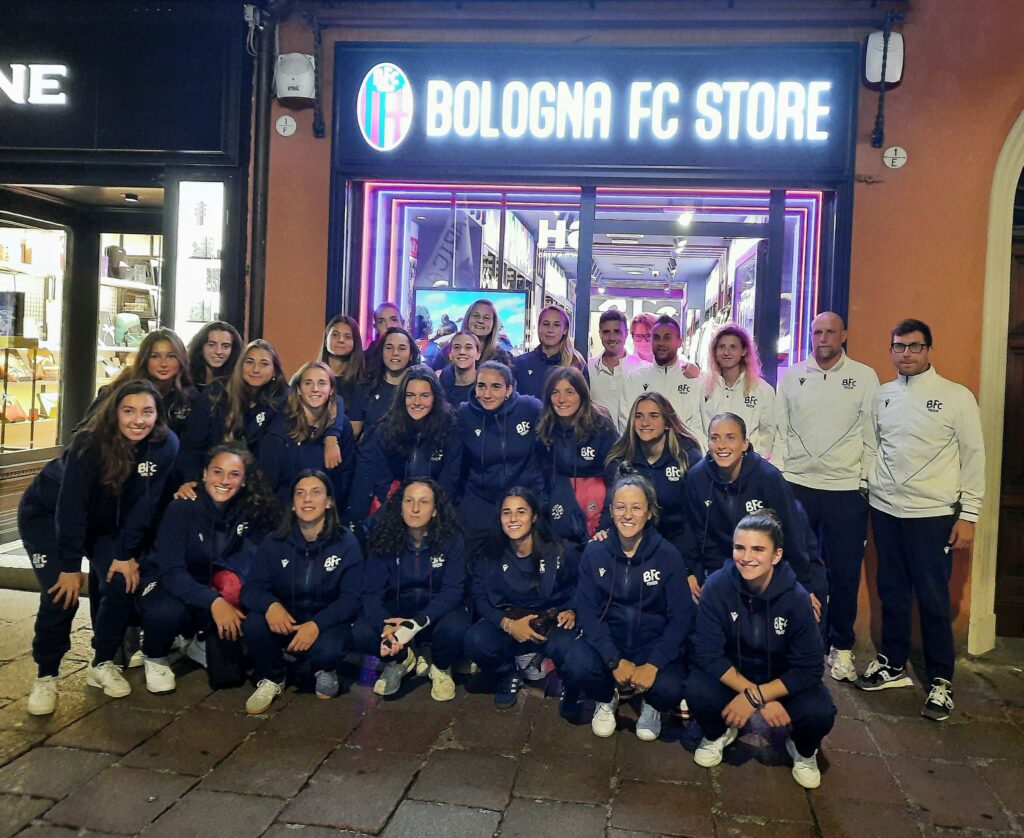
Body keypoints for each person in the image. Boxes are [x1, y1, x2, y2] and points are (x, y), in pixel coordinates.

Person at [20, 380, 179, 714]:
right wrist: (69, 565)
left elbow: (145, 506)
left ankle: (102, 661)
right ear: (114, 413)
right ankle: (46, 675)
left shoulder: (165, 445)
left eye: (147, 411)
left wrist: (124, 555)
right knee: (60, 593)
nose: (139, 420)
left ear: (158, 414)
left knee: (122, 579)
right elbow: (71, 507)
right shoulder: (89, 444)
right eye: (129, 411)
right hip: (48, 514)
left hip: (106, 524)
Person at [857, 319, 984, 722]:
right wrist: (870, 488)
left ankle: (941, 681)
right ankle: (893, 665)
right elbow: (871, 446)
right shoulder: (883, 396)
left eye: (914, 347)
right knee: (891, 590)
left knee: (932, 598)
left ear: (929, 349)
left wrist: (969, 515)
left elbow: (973, 456)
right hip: (886, 509)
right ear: (891, 350)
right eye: (899, 347)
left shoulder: (956, 397)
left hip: (933, 515)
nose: (906, 354)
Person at [689, 511, 836, 789]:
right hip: (736, 674)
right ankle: (718, 731)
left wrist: (760, 696)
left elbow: (810, 668)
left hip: (781, 680)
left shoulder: (797, 598)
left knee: (820, 712)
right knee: (697, 689)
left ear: (776, 555)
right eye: (739, 548)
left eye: (758, 549)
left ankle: (803, 750)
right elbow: (707, 653)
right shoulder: (718, 587)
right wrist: (752, 695)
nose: (746, 557)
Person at [773, 312, 878, 682]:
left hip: (846, 491)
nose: (823, 338)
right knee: (795, 568)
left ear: (844, 335)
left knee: (845, 573)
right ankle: (795, 640)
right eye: (817, 332)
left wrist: (864, 481)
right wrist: (783, 478)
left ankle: (842, 646)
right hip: (798, 486)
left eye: (831, 332)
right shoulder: (793, 376)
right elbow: (781, 431)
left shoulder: (865, 378)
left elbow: (871, 435)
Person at [560, 471, 694, 741]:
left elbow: (681, 617)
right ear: (611, 511)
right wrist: (613, 659)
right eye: (620, 507)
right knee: (575, 661)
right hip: (611, 641)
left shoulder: (668, 555)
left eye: (636, 507)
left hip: (650, 644)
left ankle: (652, 706)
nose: (628, 515)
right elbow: (587, 611)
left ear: (649, 512)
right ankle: (605, 697)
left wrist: (654, 664)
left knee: (671, 687)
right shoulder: (595, 553)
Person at [139, 443, 278, 692]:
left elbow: (256, 561)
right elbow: (171, 571)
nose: (224, 480)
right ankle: (154, 654)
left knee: (228, 676)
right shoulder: (182, 507)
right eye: (217, 471)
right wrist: (215, 602)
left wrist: (232, 591)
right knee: (166, 611)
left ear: (245, 480)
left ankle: (198, 641)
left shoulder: (250, 508)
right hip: (171, 582)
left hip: (215, 584)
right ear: (203, 474)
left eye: (234, 474)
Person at [241, 470, 364, 713]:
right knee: (254, 624)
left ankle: (323, 668)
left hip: (325, 622)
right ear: (293, 505)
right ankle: (273, 677)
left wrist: (316, 624)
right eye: (300, 493)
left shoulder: (346, 543)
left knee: (329, 650)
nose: (307, 499)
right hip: (286, 620)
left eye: (315, 493)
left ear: (328, 502)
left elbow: (351, 599)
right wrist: (271, 606)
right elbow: (251, 589)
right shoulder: (274, 541)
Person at [680, 413, 825, 613]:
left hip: (765, 565)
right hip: (720, 567)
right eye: (715, 438)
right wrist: (689, 572)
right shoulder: (697, 478)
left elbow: (792, 534)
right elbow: (691, 530)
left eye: (730, 437)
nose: (722, 445)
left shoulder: (768, 478)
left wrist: (803, 587)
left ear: (745, 443)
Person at [354, 478, 470, 702]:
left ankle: (441, 666)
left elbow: (452, 591)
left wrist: (415, 623)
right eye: (409, 501)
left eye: (424, 502)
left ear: (435, 510)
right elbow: (371, 593)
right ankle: (399, 661)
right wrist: (385, 627)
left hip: (433, 615)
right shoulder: (384, 538)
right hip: (397, 613)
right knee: (361, 631)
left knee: (456, 626)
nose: (415, 508)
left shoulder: (452, 540)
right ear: (400, 506)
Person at [465, 487, 579, 708]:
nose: (513, 519)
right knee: (475, 640)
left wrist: (572, 610)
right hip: (510, 621)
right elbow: (480, 598)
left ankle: (566, 684)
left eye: (521, 512)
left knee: (572, 649)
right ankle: (508, 674)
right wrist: (508, 625)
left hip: (549, 623)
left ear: (534, 516)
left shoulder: (559, 551)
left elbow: (579, 588)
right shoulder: (489, 554)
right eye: (506, 512)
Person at [348, 365, 462, 522]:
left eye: (424, 395)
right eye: (410, 395)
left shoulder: (450, 430)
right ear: (402, 398)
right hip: (395, 509)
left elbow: (449, 481)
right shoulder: (385, 430)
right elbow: (381, 480)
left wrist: (429, 507)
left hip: (437, 511)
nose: (416, 402)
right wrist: (403, 508)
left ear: (435, 397)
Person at [457, 361, 543, 559]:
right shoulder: (464, 414)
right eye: (481, 386)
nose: (487, 394)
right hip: (480, 499)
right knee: (472, 559)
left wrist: (539, 492)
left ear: (509, 389)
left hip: (524, 498)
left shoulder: (529, 408)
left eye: (496, 386)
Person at [605, 392, 702, 556]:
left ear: (666, 422)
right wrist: (603, 531)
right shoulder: (619, 459)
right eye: (639, 416)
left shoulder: (687, 457)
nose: (645, 423)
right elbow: (611, 507)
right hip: (632, 545)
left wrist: (690, 567)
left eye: (654, 416)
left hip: (678, 546)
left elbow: (695, 518)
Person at [537, 367, 618, 546]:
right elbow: (541, 477)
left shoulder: (601, 426)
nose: (561, 399)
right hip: (559, 517)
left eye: (569, 392)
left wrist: (606, 523)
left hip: (597, 518)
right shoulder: (545, 427)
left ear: (582, 395)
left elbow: (616, 478)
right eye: (555, 392)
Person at [258, 361, 357, 506]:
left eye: (322, 383)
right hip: (285, 511)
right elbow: (268, 482)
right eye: (308, 383)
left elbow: (345, 476)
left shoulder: (342, 427)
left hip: (327, 511)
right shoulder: (279, 427)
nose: (315, 389)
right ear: (298, 389)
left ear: (331, 390)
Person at [699, 323, 776, 457]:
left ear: (744, 351)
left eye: (733, 347)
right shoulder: (702, 387)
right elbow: (699, 427)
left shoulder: (763, 390)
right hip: (711, 465)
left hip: (749, 468)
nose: (726, 352)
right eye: (722, 347)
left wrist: (755, 460)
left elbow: (768, 432)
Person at [618, 315, 702, 436]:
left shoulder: (693, 379)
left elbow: (699, 426)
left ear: (679, 342)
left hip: (682, 453)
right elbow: (626, 423)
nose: (661, 343)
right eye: (656, 338)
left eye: (667, 338)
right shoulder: (635, 378)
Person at [348, 326, 420, 439]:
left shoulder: (420, 390)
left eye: (402, 348)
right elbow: (352, 435)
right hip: (369, 456)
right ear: (382, 352)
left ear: (411, 355)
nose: (395, 353)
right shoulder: (365, 388)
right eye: (389, 347)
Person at [587, 309, 649, 433]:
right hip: (598, 445)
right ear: (600, 334)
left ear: (626, 334)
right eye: (606, 332)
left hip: (632, 446)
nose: (611, 337)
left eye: (617, 332)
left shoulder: (643, 369)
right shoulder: (588, 368)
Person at [512, 305, 587, 400]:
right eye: (546, 324)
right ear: (539, 327)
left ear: (565, 330)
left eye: (556, 325)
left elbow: (584, 404)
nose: (550, 330)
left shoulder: (577, 363)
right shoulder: (520, 363)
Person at [433, 298, 512, 370]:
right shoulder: (447, 351)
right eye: (476, 315)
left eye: (486, 317)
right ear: (467, 319)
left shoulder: (501, 357)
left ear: (493, 324)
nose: (480, 321)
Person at [320, 314, 365, 404]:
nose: (341, 340)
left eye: (347, 337)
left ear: (355, 343)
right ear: (325, 340)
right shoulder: (310, 375)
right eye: (335, 335)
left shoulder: (362, 383)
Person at [187, 321, 243, 388]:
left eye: (225, 346)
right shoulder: (185, 376)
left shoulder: (239, 381)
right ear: (200, 346)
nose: (218, 351)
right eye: (211, 345)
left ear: (233, 349)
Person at [438, 330, 480, 407]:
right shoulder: (439, 388)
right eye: (457, 347)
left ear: (478, 354)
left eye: (468, 347)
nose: (462, 352)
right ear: (450, 354)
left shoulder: (486, 388)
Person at [363, 301, 405, 371]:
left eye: (394, 320)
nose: (388, 326)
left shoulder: (413, 357)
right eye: (381, 321)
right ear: (375, 327)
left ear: (402, 324)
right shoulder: (364, 360)